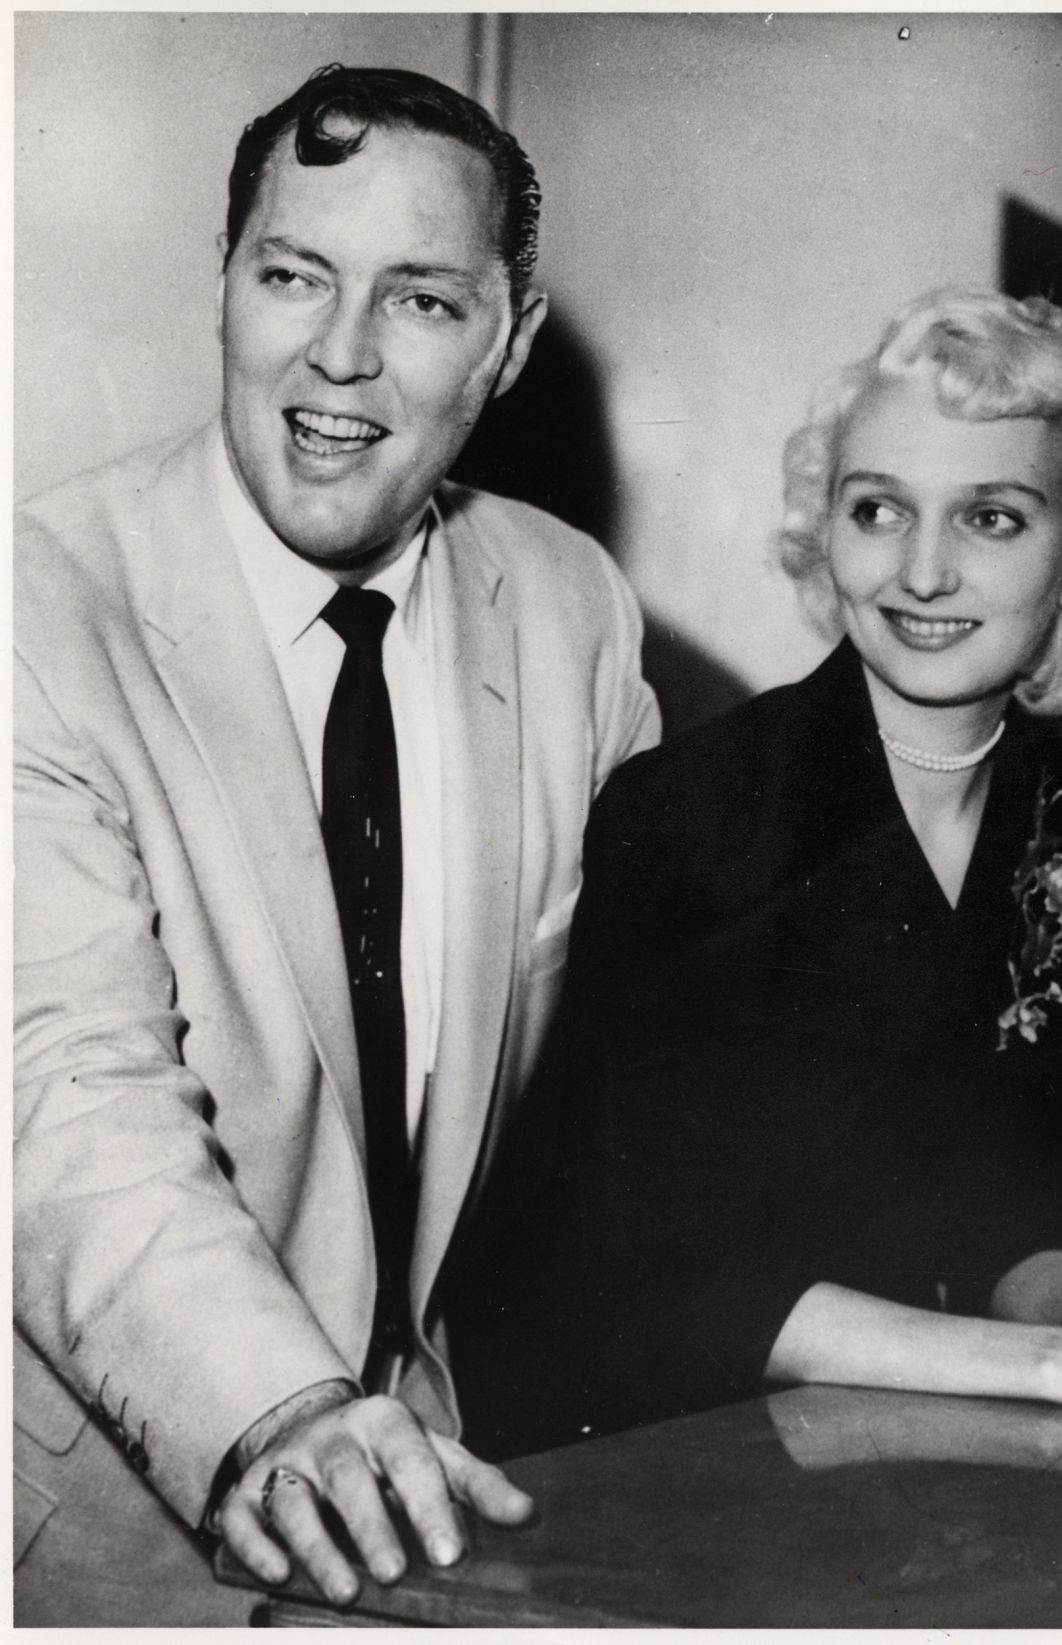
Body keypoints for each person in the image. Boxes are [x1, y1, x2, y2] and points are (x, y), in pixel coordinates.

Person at [13, 64, 658, 1623]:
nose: (341, 354)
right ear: (225, 286)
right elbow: (61, 1085)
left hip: (438, 1496)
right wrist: (284, 1411)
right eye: (293, 274)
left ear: (506, 344)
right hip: (104, 1526)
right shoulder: (34, 609)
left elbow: (655, 1055)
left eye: (423, 299)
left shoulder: (572, 608)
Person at [446, 290, 1062, 1460]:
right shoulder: (693, 810)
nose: (921, 571)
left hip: (936, 1450)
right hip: (654, 1458)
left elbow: (1015, 1203)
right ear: (825, 529)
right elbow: (683, 1271)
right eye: (878, 508)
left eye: (990, 517)